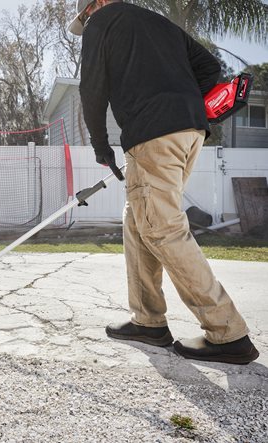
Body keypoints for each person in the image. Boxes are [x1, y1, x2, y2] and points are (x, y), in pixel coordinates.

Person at [69, 0, 259, 364]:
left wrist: (100, 146)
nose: (87, 21)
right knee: (138, 220)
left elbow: (91, 89)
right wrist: (181, 102)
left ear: (97, 3)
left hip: (152, 133)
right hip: (191, 131)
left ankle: (227, 332)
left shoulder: (102, 21)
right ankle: (148, 321)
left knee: (162, 228)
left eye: (85, 14)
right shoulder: (159, 23)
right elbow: (210, 67)